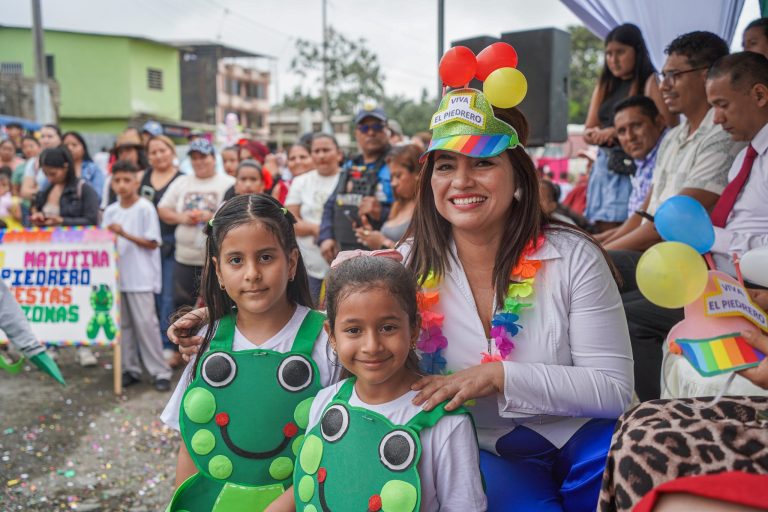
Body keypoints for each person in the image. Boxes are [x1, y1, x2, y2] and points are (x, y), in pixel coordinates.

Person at [168, 58, 635, 512]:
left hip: (579, 439)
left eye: (483, 163)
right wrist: (222, 317)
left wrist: (497, 377)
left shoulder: (574, 257)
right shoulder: (406, 264)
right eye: (446, 165)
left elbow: (614, 388)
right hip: (480, 447)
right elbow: (342, 320)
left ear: (517, 173)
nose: (462, 181)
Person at [266, 253, 487, 511]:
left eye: (387, 328)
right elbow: (312, 482)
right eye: (354, 330)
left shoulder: (446, 423)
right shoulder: (325, 402)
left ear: (414, 328)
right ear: (331, 335)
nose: (371, 346)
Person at [160, 194, 339, 511]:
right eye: (236, 260)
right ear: (218, 271)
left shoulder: (329, 340)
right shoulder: (206, 341)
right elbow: (191, 443)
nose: (252, 273)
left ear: (292, 262)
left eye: (266, 257)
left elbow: (342, 445)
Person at [611, 35, 744, 401]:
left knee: (616, 303)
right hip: (660, 257)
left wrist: (596, 251)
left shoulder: (723, 135)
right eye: (662, 75)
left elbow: (666, 226)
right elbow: (645, 213)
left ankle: (654, 414)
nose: (664, 85)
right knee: (597, 271)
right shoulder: (672, 137)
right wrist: (593, 244)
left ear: (707, 74)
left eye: (674, 75)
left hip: (692, 266)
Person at [583, 24, 674, 232]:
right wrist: (594, 135)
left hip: (635, 166)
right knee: (602, 225)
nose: (613, 60)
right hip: (604, 164)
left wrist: (615, 131)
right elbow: (588, 128)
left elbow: (667, 126)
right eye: (608, 54)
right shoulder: (605, 84)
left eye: (620, 52)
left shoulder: (650, 81)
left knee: (630, 225)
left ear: (637, 51)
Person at [102, 160, 172, 391]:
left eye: (127, 180)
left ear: (136, 182)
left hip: (141, 277)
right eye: (117, 180)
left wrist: (124, 234)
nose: (122, 185)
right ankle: (129, 368)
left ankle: (160, 371)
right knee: (124, 326)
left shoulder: (144, 208)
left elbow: (152, 242)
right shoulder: (111, 211)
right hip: (117, 277)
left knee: (146, 325)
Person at [31, 146, 101, 367]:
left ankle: (83, 346)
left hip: (78, 258)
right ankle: (52, 344)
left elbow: (92, 220)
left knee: (80, 299)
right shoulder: (45, 190)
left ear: (65, 167)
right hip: (50, 257)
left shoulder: (84, 189)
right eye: (46, 173)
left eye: (53, 173)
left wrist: (62, 221)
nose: (49, 177)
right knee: (54, 301)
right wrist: (39, 219)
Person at [157, 138, 234, 312]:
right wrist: (181, 218)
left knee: (218, 304)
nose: (199, 162)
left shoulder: (228, 182)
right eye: (194, 158)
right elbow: (162, 208)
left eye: (203, 157)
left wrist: (212, 218)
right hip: (184, 257)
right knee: (182, 304)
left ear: (213, 158)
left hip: (215, 259)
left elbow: (235, 214)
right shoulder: (181, 182)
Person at [318, 106, 394, 260]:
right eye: (364, 128)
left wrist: (382, 212)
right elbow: (331, 204)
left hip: (385, 255)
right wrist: (326, 237)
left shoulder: (398, 162)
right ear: (356, 133)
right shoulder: (350, 165)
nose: (371, 132)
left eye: (377, 127)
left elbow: (415, 212)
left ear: (387, 130)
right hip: (346, 253)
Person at [595, 96, 667, 245]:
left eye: (636, 126)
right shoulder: (642, 162)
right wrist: (596, 241)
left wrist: (601, 249)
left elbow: (653, 228)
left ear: (659, 122)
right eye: (621, 131)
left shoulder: (666, 155)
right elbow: (636, 222)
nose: (630, 137)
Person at [284, 134, 343, 303]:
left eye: (326, 150)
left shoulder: (348, 179)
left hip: (344, 262)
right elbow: (290, 221)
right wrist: (320, 231)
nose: (321, 155)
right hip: (309, 267)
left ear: (339, 154)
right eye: (316, 151)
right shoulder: (301, 182)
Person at [143, 135, 183, 365]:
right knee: (151, 296)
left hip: (171, 243)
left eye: (162, 150)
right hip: (144, 246)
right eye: (153, 152)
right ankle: (150, 344)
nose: (158, 156)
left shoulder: (182, 179)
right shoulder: (142, 178)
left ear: (172, 151)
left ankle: (167, 345)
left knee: (168, 295)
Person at [355, 144, 420, 250]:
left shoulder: (427, 208)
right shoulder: (398, 206)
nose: (393, 183)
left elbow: (421, 254)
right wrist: (371, 235)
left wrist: (384, 243)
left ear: (417, 174)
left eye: (398, 176)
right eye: (391, 177)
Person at [21, 124, 62, 202]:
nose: (45, 140)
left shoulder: (67, 160)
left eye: (50, 136)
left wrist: (37, 189)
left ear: (60, 139)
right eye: (42, 136)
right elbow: (25, 192)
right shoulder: (33, 163)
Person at [62, 131, 106, 202]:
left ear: (83, 148)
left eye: (74, 145)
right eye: (66, 145)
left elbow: (98, 196)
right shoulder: (58, 169)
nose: (70, 148)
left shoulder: (93, 169)